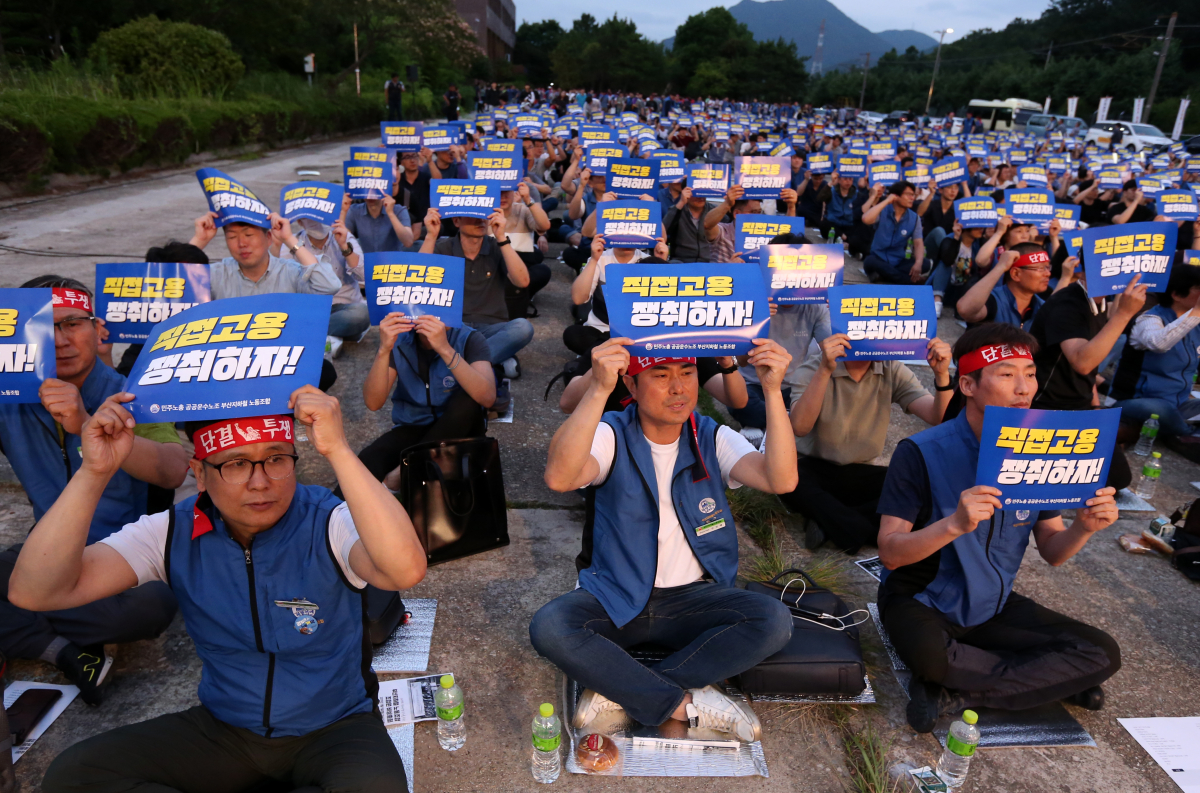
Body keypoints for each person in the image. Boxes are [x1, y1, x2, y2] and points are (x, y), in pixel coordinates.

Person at [19, 387, 425, 791]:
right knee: (76, 774)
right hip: (227, 731)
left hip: (337, 728)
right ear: (200, 475)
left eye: (276, 459)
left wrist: (338, 449)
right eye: (235, 464)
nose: (260, 483)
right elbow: (36, 592)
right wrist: (94, 472)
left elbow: (403, 569)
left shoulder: (327, 520)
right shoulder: (172, 530)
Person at [531, 340, 797, 741]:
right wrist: (599, 388)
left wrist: (773, 391)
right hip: (617, 595)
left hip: (691, 600)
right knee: (551, 627)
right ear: (633, 388)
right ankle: (683, 704)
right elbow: (560, 477)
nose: (678, 388)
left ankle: (624, 689)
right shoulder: (612, 432)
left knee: (774, 621)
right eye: (660, 375)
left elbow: (782, 479)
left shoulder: (710, 435)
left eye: (687, 374)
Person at [876, 324, 1122, 733]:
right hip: (921, 601)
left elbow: (1053, 551)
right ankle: (1040, 682)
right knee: (931, 656)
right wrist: (954, 524)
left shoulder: (1041, 446)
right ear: (968, 384)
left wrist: (1084, 527)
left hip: (993, 604)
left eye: (1029, 373)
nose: (1024, 388)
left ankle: (956, 692)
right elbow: (890, 552)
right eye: (1007, 374)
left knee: (1101, 652)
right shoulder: (921, 452)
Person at [0, 278, 185, 704]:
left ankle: (26, 616)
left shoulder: (136, 390)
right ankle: (65, 652)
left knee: (154, 606)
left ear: (97, 328)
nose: (60, 341)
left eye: (72, 324)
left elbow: (173, 470)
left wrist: (85, 424)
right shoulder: (10, 397)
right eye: (44, 330)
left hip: (124, 561)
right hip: (47, 555)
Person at [784, 331, 953, 553]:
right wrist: (825, 370)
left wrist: (942, 376)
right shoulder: (814, 367)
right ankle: (865, 531)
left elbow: (939, 417)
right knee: (788, 482)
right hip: (813, 467)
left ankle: (831, 523)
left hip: (861, 470)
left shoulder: (891, 368)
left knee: (920, 489)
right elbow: (800, 427)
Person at [1029, 264, 1144, 490]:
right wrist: (1124, 314)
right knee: (1094, 484)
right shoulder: (1068, 304)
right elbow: (1083, 362)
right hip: (1046, 406)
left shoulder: (1098, 301)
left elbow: (1090, 371)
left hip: (1079, 405)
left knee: (1119, 480)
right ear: (1084, 270)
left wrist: (1096, 410)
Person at [356, 313, 495, 488]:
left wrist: (444, 349)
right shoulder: (401, 339)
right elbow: (373, 402)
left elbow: (488, 397)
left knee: (468, 400)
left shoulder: (469, 338)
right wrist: (384, 349)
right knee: (368, 461)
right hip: (413, 426)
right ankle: (334, 511)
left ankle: (402, 473)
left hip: (459, 430)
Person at [420, 208, 534, 379]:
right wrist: (430, 235)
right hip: (454, 327)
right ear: (456, 221)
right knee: (419, 331)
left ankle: (457, 366)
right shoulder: (443, 248)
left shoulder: (497, 246)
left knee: (523, 328)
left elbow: (523, 281)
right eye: (473, 216)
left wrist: (502, 237)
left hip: (491, 327)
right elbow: (417, 281)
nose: (481, 220)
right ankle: (489, 361)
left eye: (484, 215)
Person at [1110, 259, 1200, 456]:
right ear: (1176, 294)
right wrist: (1197, 311)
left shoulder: (1195, 323)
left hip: (1179, 405)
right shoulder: (1149, 319)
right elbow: (1159, 343)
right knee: (1161, 410)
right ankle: (1186, 435)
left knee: (1171, 411)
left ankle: (1176, 431)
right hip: (1137, 402)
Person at [277, 214, 368, 358]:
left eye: (321, 216)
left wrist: (345, 246)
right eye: (311, 218)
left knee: (362, 314)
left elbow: (364, 277)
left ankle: (310, 336)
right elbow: (285, 285)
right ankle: (329, 336)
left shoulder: (345, 236)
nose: (318, 221)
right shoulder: (291, 242)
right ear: (300, 221)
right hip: (312, 309)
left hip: (345, 307)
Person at [955, 243, 1055, 331]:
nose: (1048, 273)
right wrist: (1000, 267)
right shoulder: (992, 300)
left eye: (1048, 267)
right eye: (1041, 268)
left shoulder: (1041, 307)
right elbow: (965, 310)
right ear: (1015, 274)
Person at [861, 181, 926, 285]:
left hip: (898, 261)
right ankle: (908, 281)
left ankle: (883, 276)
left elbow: (918, 243)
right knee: (870, 261)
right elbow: (865, 219)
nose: (912, 198)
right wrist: (887, 201)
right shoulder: (882, 210)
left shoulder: (914, 218)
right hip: (878, 259)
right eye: (908, 195)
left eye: (913, 195)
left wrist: (918, 263)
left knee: (924, 264)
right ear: (896, 196)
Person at [340, 193, 414, 253]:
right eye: (367, 190)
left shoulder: (399, 210)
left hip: (391, 263)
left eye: (374, 191)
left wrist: (391, 213)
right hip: (365, 262)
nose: (370, 195)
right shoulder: (354, 210)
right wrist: (343, 211)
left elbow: (408, 242)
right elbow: (342, 240)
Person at [662, 186, 716, 263]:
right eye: (695, 192)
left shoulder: (714, 211)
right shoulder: (676, 210)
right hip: (681, 261)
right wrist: (681, 202)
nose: (700, 196)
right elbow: (663, 231)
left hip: (709, 261)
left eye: (702, 192)